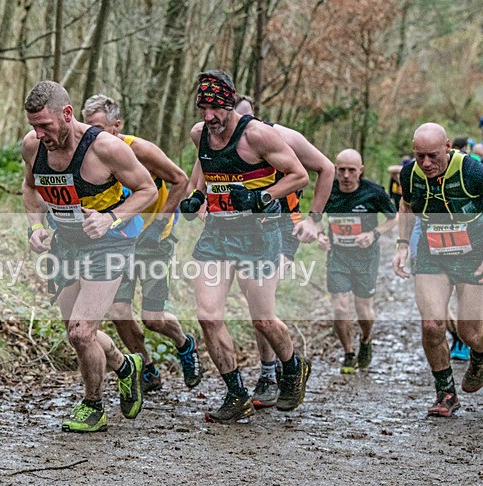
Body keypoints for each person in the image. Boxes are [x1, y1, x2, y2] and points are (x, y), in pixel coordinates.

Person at [21, 81, 157, 432]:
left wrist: (111, 218)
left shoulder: (105, 148)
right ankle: (126, 367)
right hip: (66, 244)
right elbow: (30, 187)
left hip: (108, 243)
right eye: (34, 126)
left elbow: (148, 189)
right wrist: (35, 227)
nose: (39, 133)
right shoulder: (32, 147)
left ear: (67, 114)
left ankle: (93, 405)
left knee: (81, 333)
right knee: (79, 329)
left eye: (45, 125)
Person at [179, 70, 311, 423]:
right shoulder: (200, 134)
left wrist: (260, 196)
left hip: (258, 235)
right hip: (217, 234)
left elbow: (300, 175)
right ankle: (236, 394)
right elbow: (203, 166)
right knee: (207, 315)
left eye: (216, 108)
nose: (209, 117)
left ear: (230, 103)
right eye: (202, 108)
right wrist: (196, 195)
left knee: (263, 320)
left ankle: (293, 367)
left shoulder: (257, 135)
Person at [81, 94, 201, 393]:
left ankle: (185, 344)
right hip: (120, 240)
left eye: (97, 126)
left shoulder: (140, 149)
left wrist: (160, 222)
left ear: (115, 126)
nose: (90, 133)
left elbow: (180, 179)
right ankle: (147, 369)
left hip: (153, 240)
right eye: (87, 126)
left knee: (152, 318)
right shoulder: (86, 154)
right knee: (119, 312)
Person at [234, 96, 333, 408]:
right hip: (242, 231)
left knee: (262, 301)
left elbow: (325, 168)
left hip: (281, 227)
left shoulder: (284, 137)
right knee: (255, 304)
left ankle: (275, 371)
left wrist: (314, 221)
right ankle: (273, 369)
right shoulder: (219, 144)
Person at [392, 123, 483, 417]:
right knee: (432, 325)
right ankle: (445, 393)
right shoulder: (410, 174)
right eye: (420, 156)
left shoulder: (472, 172)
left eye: (432, 155)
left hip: (473, 254)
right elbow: (406, 206)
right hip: (434, 254)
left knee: (471, 334)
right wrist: (403, 244)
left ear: (447, 146)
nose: (426, 163)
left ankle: (479, 357)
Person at [317, 149, 397, 373]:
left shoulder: (374, 192)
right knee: (340, 307)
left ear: (360, 170)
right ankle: (348, 352)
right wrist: (320, 235)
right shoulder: (327, 191)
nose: (345, 175)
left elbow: (393, 219)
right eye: (341, 170)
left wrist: (374, 234)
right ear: (335, 169)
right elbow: (315, 219)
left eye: (351, 170)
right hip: (338, 256)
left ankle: (366, 340)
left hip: (365, 257)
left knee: (363, 310)